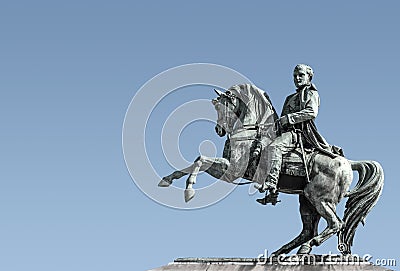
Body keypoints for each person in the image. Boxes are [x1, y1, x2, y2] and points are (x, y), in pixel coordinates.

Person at [260, 64, 339, 194]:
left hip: (299, 133)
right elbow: (282, 119)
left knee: (275, 147)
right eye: (295, 76)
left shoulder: (311, 93)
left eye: (301, 75)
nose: (297, 78)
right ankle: (273, 193)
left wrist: (289, 118)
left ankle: (271, 182)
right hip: (287, 131)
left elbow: (311, 112)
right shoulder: (289, 98)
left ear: (309, 77)